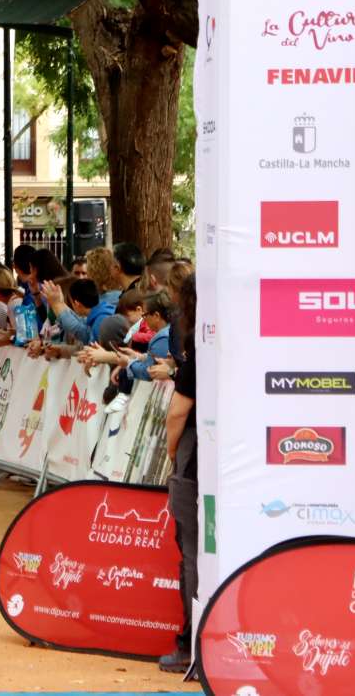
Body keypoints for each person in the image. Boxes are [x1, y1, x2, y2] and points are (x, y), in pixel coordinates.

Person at [161, 273, 197, 674]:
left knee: (190, 548)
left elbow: (178, 411)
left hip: (196, 455)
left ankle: (190, 643)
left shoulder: (200, 347)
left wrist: (173, 451)